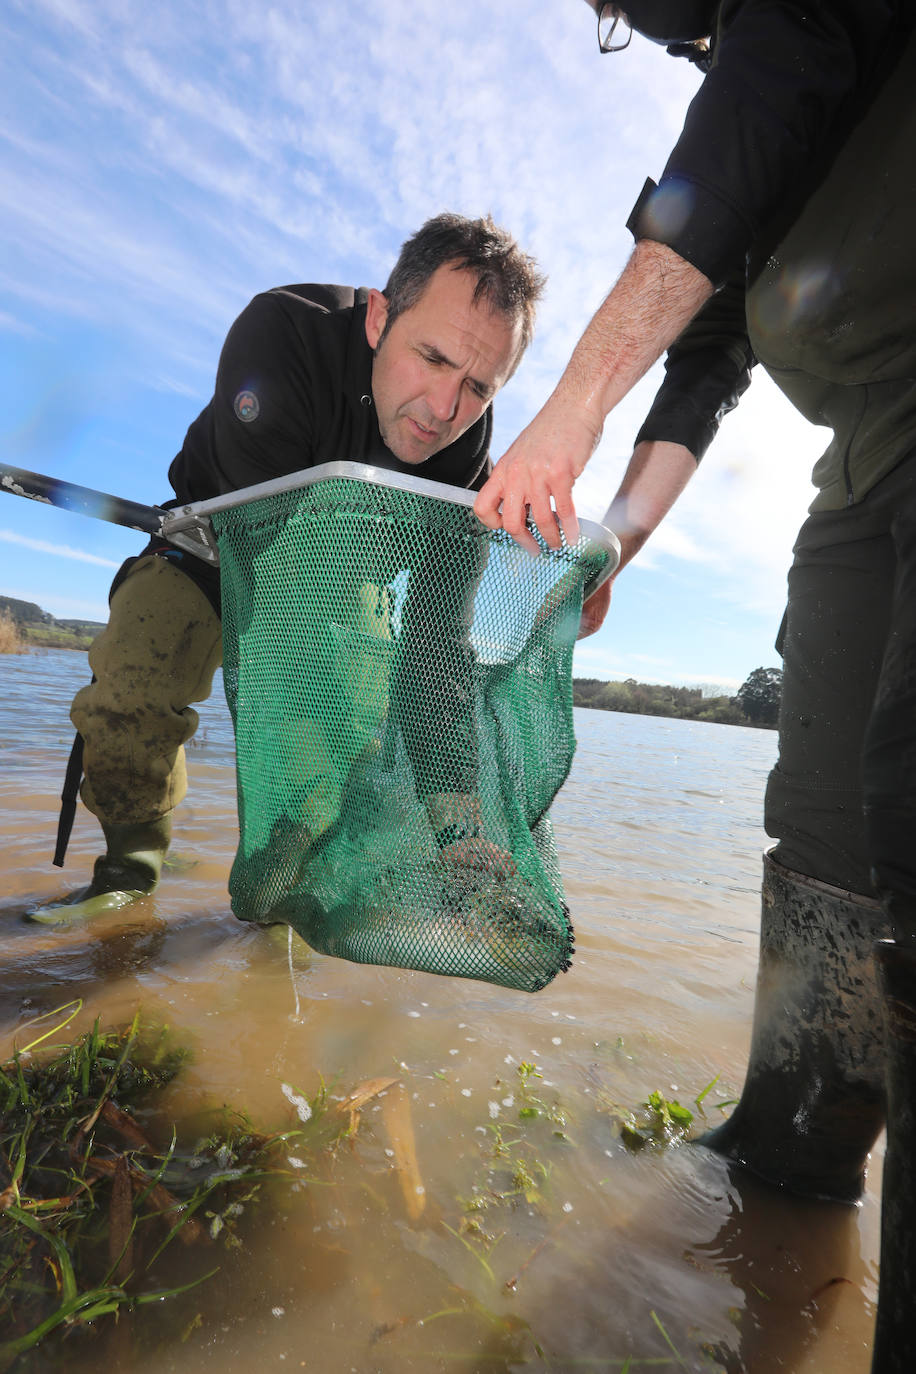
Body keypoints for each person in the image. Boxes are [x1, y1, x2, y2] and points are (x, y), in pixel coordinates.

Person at [476, 0, 916, 1256]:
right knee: (822, 814)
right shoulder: (728, 103)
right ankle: (793, 1159)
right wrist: (611, 540)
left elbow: (745, 129)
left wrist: (562, 414)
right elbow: (702, 367)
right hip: (863, 465)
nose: (624, 18)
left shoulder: (779, 52)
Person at [36, 212, 544, 923]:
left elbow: (437, 649)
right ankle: (131, 865)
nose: (443, 410)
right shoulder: (281, 334)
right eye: (431, 358)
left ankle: (290, 880)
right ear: (378, 318)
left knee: (328, 759)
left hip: (347, 578)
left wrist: (458, 822)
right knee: (132, 683)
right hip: (215, 543)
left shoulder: (465, 467)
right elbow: (273, 594)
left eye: (480, 386)